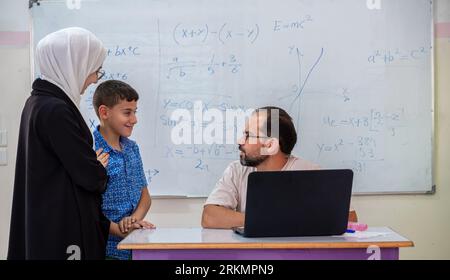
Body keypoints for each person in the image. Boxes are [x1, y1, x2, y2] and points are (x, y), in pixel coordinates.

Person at [8, 27, 110, 259]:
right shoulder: (56, 110)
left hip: (47, 223)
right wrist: (98, 168)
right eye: (94, 70)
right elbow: (89, 176)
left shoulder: (36, 102)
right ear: (73, 64)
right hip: (63, 231)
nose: (94, 79)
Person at [202, 106, 324, 229]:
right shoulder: (236, 170)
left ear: (270, 145)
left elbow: (335, 217)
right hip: (253, 248)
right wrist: (265, 220)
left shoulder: (311, 174)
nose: (240, 141)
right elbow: (210, 217)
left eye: (248, 135)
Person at [93, 80, 154, 260]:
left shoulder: (132, 148)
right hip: (105, 249)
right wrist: (119, 229)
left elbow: (145, 196)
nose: (134, 119)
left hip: (135, 248)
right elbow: (87, 207)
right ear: (104, 112)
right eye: (127, 113)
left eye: (134, 112)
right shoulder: (90, 150)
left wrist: (133, 221)